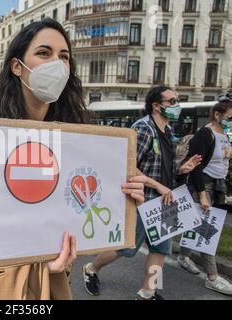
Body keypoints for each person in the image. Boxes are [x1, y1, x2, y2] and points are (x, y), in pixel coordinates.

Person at [0, 19, 146, 300]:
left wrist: (122, 198)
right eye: (44, 53)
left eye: (64, 57)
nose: (57, 64)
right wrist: (24, 261)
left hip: (54, 281)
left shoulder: (77, 143)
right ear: (17, 66)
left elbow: (81, 213)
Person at [82, 86, 202, 300]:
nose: (177, 105)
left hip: (164, 201)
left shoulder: (167, 131)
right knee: (126, 249)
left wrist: (182, 169)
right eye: (172, 101)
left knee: (161, 250)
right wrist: (156, 185)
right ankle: (91, 268)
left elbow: (162, 167)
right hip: (141, 200)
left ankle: (148, 292)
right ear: (157, 105)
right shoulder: (144, 128)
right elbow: (126, 164)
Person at [177, 98, 232, 295]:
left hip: (218, 185)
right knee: (207, 230)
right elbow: (196, 166)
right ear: (217, 115)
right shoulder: (204, 134)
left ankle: (183, 257)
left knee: (198, 224)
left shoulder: (224, 133)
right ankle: (212, 276)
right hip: (205, 184)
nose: (231, 121)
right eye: (230, 117)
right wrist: (202, 194)